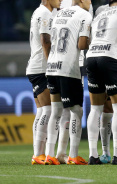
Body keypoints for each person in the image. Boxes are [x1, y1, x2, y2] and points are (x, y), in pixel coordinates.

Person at [86, 0, 117, 165]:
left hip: (92, 56)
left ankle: (93, 155)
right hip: (111, 57)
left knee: (95, 109)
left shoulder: (101, 12)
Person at [44, 0, 92, 165]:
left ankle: (51, 154)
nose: (90, 2)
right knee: (76, 111)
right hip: (68, 68)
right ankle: (73, 155)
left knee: (56, 111)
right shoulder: (85, 15)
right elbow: (82, 44)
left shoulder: (59, 14)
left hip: (52, 65)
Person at [28, 0, 61, 165]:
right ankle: (38, 154)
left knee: (42, 111)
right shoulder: (45, 14)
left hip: (35, 66)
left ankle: (38, 154)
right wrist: (51, 66)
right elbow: (45, 40)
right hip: (42, 67)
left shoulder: (38, 11)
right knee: (48, 110)